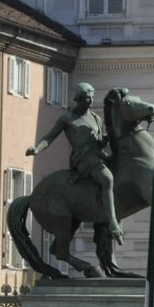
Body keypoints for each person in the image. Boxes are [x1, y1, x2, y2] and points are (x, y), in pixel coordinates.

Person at [27, 81, 121, 240]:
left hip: (99, 155)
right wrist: (37, 149)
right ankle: (112, 222)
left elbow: (99, 141)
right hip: (83, 159)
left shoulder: (96, 118)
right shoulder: (68, 118)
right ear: (79, 99)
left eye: (91, 97)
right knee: (107, 178)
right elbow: (49, 137)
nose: (90, 101)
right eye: (86, 98)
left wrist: (111, 136)